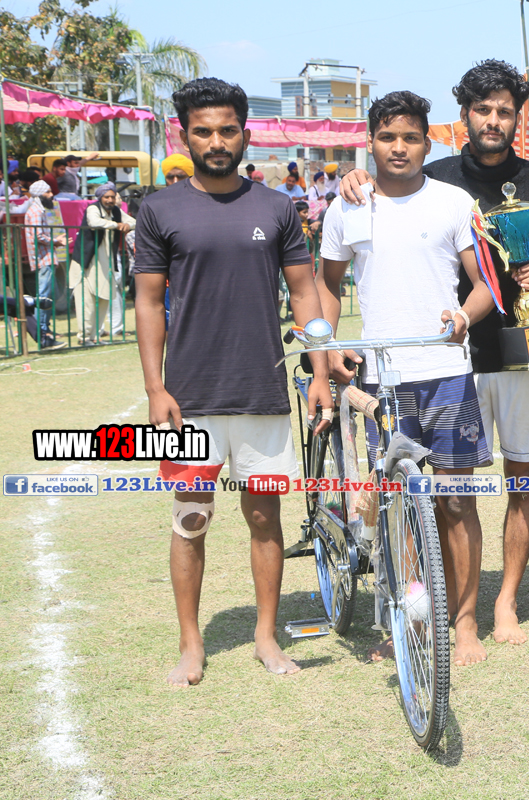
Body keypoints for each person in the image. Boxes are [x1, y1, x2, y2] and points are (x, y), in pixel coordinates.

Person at [341, 59, 529, 646]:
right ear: (463, 115)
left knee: (522, 479)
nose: (493, 120)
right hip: (450, 360)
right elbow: (385, 188)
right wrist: (353, 176)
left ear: (518, 117)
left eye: (504, 111)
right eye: (482, 110)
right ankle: (433, 609)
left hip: (523, 351)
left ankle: (507, 603)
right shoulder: (435, 177)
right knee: (439, 495)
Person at [132, 77, 333, 687]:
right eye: (203, 131)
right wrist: (155, 389)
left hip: (261, 392)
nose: (216, 142)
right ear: (185, 136)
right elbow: (148, 302)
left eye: (226, 130)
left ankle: (266, 637)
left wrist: (320, 371)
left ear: (245, 134)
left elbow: (305, 292)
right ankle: (191, 644)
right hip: (189, 397)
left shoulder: (277, 207)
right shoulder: (158, 209)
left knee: (265, 518)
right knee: (191, 518)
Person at [319, 90, 495, 666]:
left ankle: (464, 622)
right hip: (383, 382)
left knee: (456, 503)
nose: (399, 147)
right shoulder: (346, 207)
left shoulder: (453, 202)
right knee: (396, 507)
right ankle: (409, 618)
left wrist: (463, 316)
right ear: (370, 142)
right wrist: (329, 348)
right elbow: (327, 287)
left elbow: (484, 286)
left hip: (447, 375)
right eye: (388, 137)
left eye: (411, 138)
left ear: (427, 142)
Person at [70, 183, 132, 344]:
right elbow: (94, 222)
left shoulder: (116, 211)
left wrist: (126, 224)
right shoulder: (93, 208)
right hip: (87, 262)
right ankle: (84, 337)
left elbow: (134, 222)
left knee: (104, 298)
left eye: (112, 197)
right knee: (86, 301)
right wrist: (116, 225)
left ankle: (95, 336)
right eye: (107, 197)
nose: (110, 200)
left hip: (106, 263)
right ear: (100, 198)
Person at [21, 180, 68, 349]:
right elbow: (38, 236)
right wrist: (56, 241)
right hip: (43, 258)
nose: (51, 195)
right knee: (44, 297)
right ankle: (41, 332)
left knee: (49, 296)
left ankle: (44, 329)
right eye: (47, 192)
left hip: (47, 257)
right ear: (39, 194)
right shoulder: (35, 211)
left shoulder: (39, 210)